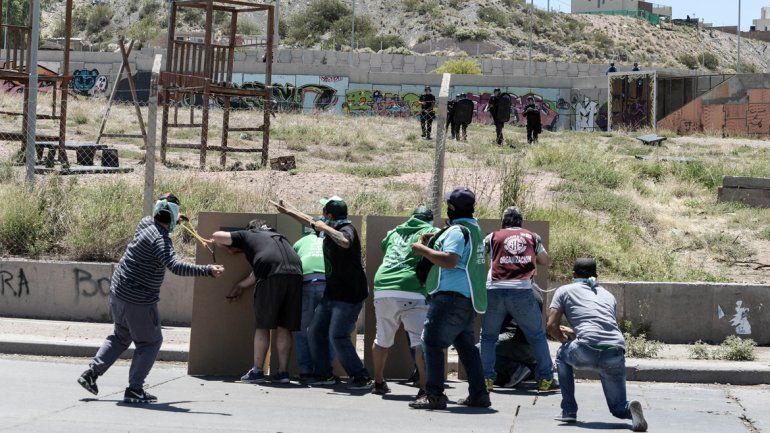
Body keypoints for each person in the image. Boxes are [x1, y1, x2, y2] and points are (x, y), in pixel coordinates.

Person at [77, 193, 224, 404]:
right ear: (171, 218)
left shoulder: (145, 223)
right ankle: (135, 389)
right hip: (138, 299)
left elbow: (160, 216)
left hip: (118, 292)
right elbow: (176, 266)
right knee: (150, 342)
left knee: (120, 337)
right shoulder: (161, 241)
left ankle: (91, 374)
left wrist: (176, 216)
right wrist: (207, 270)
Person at [409, 187, 489, 410]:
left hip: (450, 298)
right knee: (466, 348)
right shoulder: (475, 229)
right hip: (467, 299)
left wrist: (422, 250)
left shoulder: (458, 230)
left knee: (432, 343)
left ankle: (434, 395)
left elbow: (450, 260)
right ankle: (479, 395)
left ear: (451, 208)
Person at [281, 196, 373, 389]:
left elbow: (345, 242)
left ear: (329, 215)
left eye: (324, 214)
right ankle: (325, 375)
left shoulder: (347, 229)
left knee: (337, 335)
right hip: (332, 293)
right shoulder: (329, 227)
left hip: (349, 294)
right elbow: (311, 222)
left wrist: (325, 228)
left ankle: (361, 376)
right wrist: (288, 211)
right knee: (314, 331)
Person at [547, 258, 648, 432]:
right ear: (596, 275)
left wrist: (566, 340)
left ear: (573, 275)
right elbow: (601, 328)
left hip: (586, 348)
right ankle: (630, 407)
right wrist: (576, 334)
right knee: (617, 408)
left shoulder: (564, 290)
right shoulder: (608, 295)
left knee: (562, 355)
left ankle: (569, 410)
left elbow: (551, 327)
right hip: (615, 351)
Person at [211, 219, 304, 384]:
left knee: (263, 325)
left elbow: (217, 236)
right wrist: (241, 285)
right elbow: (264, 268)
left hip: (271, 275)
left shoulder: (249, 234)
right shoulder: (278, 237)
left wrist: (230, 247)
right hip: (295, 274)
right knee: (284, 326)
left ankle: (258, 371)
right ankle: (283, 373)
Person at [479, 207, 556, 393]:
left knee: (488, 337)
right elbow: (545, 260)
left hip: (495, 289)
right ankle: (545, 378)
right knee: (537, 336)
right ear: (521, 222)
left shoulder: (492, 237)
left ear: (503, 222)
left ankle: (487, 379)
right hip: (522, 290)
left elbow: (480, 256)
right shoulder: (532, 237)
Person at [371, 206, 438, 397]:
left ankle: (378, 382)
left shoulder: (394, 232)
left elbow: (384, 246)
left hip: (383, 287)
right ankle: (425, 388)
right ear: (429, 220)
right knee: (419, 341)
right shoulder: (430, 231)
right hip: (412, 289)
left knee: (382, 338)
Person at [292, 224, 333, 383]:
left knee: (302, 329)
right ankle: (324, 371)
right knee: (329, 331)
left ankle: (306, 371)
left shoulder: (301, 242)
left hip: (306, 284)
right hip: (327, 285)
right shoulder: (330, 241)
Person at [488, 315, 537, 389]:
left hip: (516, 339)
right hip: (532, 349)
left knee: (479, 350)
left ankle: (515, 369)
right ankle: (527, 371)